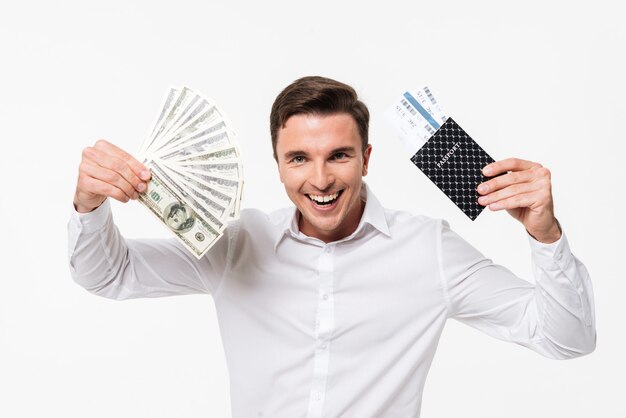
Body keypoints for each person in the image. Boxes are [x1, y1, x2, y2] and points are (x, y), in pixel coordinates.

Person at [68, 76, 595, 418]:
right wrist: (89, 204)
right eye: (298, 158)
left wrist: (544, 235)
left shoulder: (427, 249)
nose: (320, 179)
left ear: (366, 158)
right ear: (277, 164)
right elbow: (108, 274)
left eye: (338, 155)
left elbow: (566, 339)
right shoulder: (236, 244)